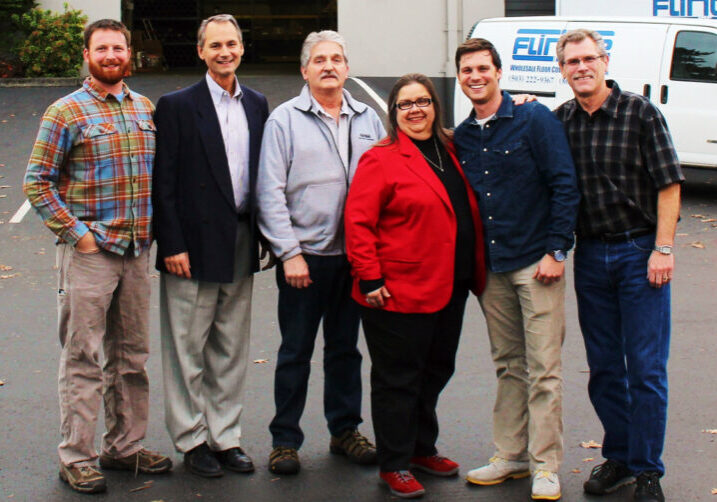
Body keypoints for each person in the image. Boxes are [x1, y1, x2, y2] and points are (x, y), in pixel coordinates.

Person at [23, 19, 171, 494]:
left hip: (135, 252)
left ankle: (123, 447)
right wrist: (78, 235)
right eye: (101, 48)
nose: (111, 55)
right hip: (92, 254)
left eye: (118, 47)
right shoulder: (65, 112)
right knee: (83, 357)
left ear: (130, 54)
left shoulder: (144, 108)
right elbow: (37, 182)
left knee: (131, 358)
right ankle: (77, 455)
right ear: (87, 55)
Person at [554, 29, 684, 502]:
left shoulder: (640, 112)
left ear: (605, 61)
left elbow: (669, 184)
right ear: (562, 70)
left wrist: (663, 249)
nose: (582, 67)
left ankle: (648, 470)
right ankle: (621, 456)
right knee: (605, 367)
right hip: (590, 257)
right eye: (572, 61)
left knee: (646, 369)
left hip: (639, 253)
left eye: (589, 58)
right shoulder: (561, 121)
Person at [344, 73, 486, 499]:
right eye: (405, 104)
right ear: (394, 113)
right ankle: (395, 462)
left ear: (435, 105)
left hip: (450, 285)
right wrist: (370, 276)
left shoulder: (453, 148)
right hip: (397, 290)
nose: (415, 110)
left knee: (435, 370)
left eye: (422, 101)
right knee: (398, 380)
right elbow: (358, 222)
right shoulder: (381, 158)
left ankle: (423, 448)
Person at [453, 38, 580, 501]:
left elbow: (564, 185)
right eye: (466, 70)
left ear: (499, 72)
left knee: (544, 368)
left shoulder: (533, 119)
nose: (475, 76)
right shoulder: (462, 136)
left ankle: (546, 465)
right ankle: (511, 455)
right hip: (493, 271)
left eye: (483, 68)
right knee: (509, 366)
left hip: (536, 263)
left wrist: (556, 251)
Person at [256, 30, 384, 475]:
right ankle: (285, 440)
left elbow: (389, 181)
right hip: (304, 261)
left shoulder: (369, 119)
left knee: (346, 351)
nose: (328, 66)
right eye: (319, 60)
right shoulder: (284, 121)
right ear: (304, 70)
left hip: (355, 260)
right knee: (295, 352)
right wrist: (288, 253)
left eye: (336, 59)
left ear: (347, 68)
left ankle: (344, 430)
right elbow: (268, 192)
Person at [152, 14, 269, 478]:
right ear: (201, 51)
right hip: (191, 245)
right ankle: (192, 439)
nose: (225, 51)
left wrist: (265, 235)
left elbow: (262, 175)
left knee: (230, 347)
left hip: (240, 238)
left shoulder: (257, 103)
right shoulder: (177, 105)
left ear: (242, 48)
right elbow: (163, 181)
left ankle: (226, 437)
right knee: (186, 348)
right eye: (215, 45)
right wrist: (171, 244)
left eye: (232, 43)